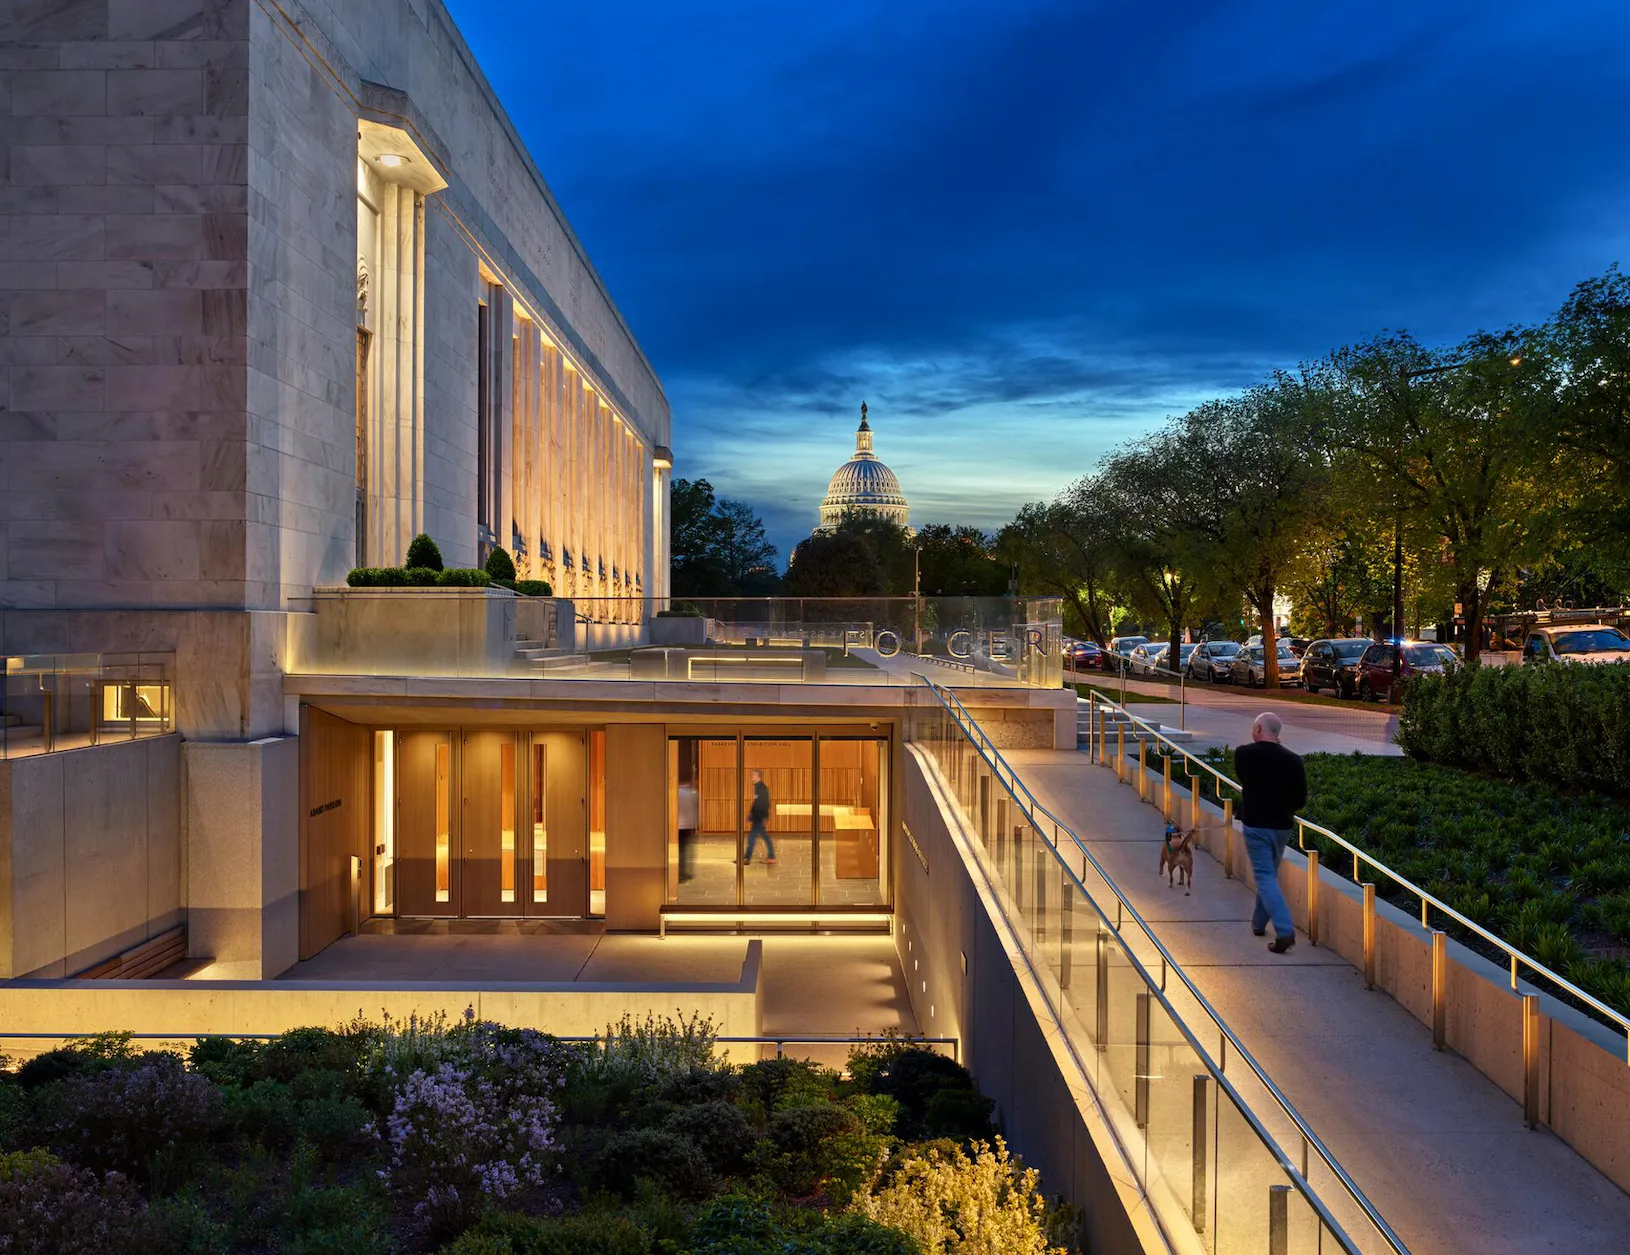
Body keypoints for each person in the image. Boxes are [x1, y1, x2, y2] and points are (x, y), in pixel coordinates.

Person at [1234, 712, 1307, 953]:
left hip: (1256, 826)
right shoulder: (1294, 761)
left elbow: (1246, 780)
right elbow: (1300, 800)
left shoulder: (1244, 754)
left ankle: (1284, 931)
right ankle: (1258, 923)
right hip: (1282, 827)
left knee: (1265, 877)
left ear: (1258, 729)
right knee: (1269, 876)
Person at [743, 768, 775, 865]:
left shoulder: (762, 788)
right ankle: (771, 857)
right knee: (764, 836)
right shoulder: (758, 787)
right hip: (758, 817)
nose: (751, 776)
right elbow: (756, 802)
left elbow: (765, 803)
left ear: (757, 776)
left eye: (753, 775)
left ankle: (747, 858)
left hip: (759, 817)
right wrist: (751, 813)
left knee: (752, 837)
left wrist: (764, 817)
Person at [676, 779, 699, 882]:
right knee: (686, 849)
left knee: (681, 849)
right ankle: (683, 871)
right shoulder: (693, 793)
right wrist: (696, 825)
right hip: (689, 824)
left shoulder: (676, 793)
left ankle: (681, 871)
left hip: (677, 824)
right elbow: (695, 810)